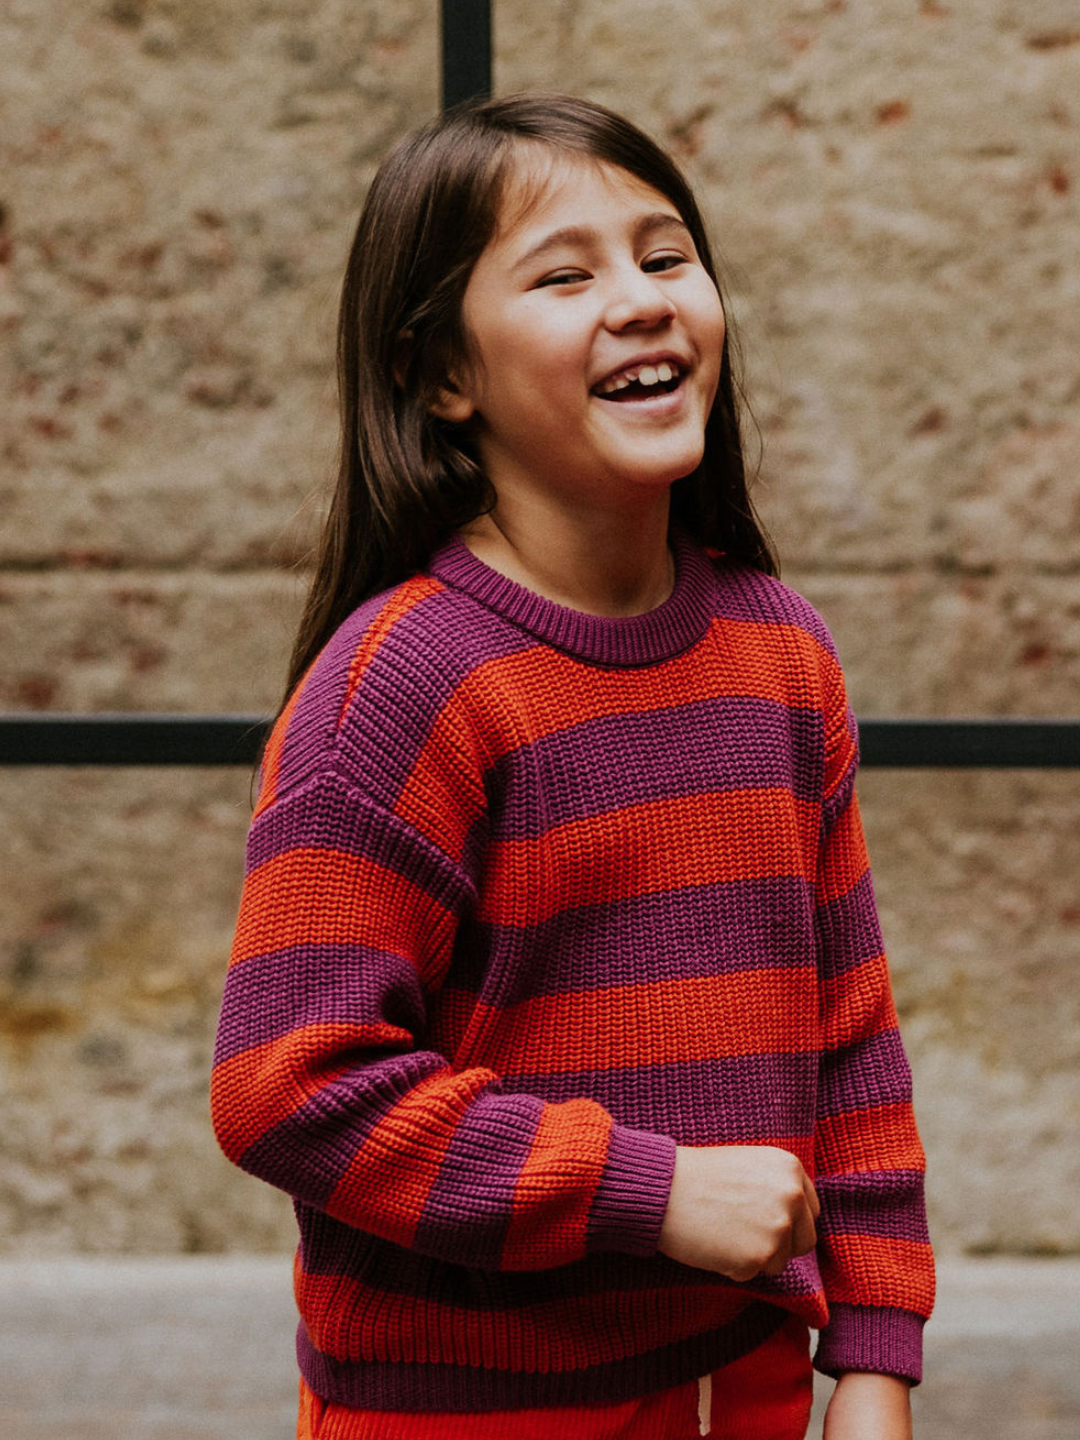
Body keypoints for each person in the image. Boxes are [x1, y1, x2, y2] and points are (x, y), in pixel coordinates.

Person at [210, 94, 934, 1440]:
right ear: (442, 375)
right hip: (463, 1415)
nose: (644, 299)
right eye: (565, 274)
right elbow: (288, 1085)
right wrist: (645, 1192)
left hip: (745, 1395)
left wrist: (877, 1357)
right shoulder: (403, 686)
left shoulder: (781, 656)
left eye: (666, 256)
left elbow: (851, 1044)